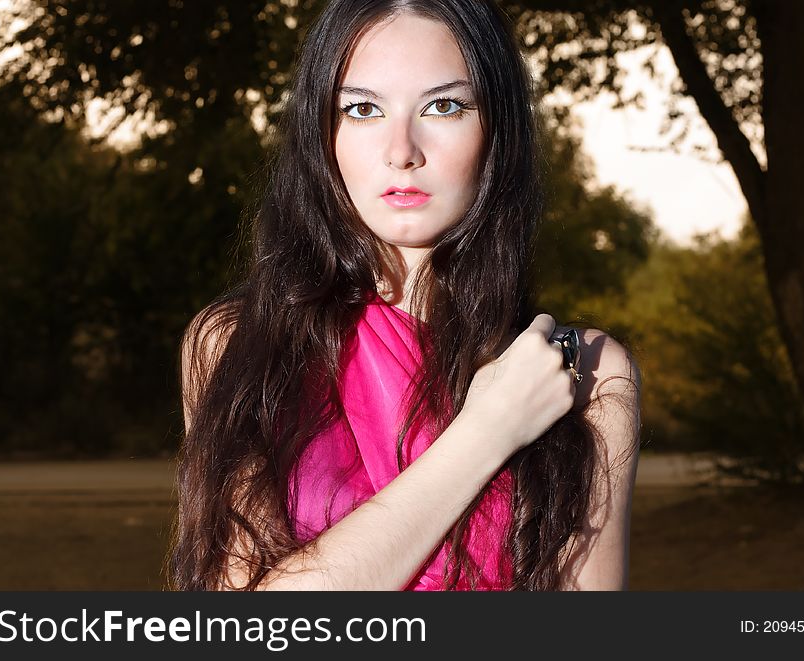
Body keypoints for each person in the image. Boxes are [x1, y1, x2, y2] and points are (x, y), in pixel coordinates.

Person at [172, 0, 641, 591]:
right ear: (323, 134)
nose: (402, 151)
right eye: (363, 109)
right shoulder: (237, 344)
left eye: (443, 106)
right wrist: (487, 431)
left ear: (497, 130)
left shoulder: (583, 371)